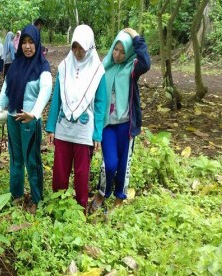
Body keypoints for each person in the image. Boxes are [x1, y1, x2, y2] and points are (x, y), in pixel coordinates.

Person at [45, 25, 108, 211]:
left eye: (81, 47)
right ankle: (58, 204)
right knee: (60, 170)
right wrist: (51, 127)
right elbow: (56, 98)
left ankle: (80, 207)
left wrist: (97, 134)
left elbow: (100, 104)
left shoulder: (98, 71)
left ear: (89, 47)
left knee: (82, 172)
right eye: (74, 47)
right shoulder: (65, 66)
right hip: (64, 128)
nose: (77, 52)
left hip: (84, 130)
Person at [88, 28, 151, 214]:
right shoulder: (103, 67)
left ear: (129, 52)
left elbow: (146, 62)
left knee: (123, 166)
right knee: (110, 164)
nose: (118, 54)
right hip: (108, 126)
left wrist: (135, 36)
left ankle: (118, 201)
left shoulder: (132, 68)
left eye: (123, 51)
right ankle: (101, 193)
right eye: (116, 49)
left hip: (126, 126)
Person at [0, 25, 52, 214]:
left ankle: (36, 199)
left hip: (29, 121)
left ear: (37, 44)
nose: (27, 47)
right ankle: (16, 195)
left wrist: (34, 113)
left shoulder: (42, 66)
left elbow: (46, 90)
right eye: (24, 43)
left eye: (31, 42)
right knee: (15, 160)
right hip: (13, 118)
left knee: (32, 161)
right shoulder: (15, 65)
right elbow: (6, 89)